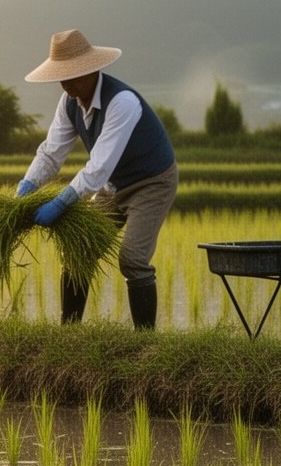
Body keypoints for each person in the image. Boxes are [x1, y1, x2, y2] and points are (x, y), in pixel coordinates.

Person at [18, 28, 178, 328]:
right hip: (112, 184)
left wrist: (61, 203)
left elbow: (99, 166)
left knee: (132, 259)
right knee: (79, 249)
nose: (67, 84)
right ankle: (69, 332)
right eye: (62, 77)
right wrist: (27, 186)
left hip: (151, 182)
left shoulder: (122, 102)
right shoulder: (69, 103)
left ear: (93, 70)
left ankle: (146, 343)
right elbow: (51, 153)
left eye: (73, 75)